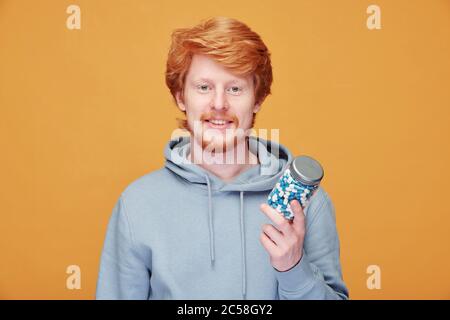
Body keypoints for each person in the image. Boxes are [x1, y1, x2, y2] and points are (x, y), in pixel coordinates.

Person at [95, 16, 349, 300]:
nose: (218, 103)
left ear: (258, 99)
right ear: (181, 96)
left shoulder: (305, 204)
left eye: (235, 88)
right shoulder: (138, 204)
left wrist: (294, 269)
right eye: (204, 87)